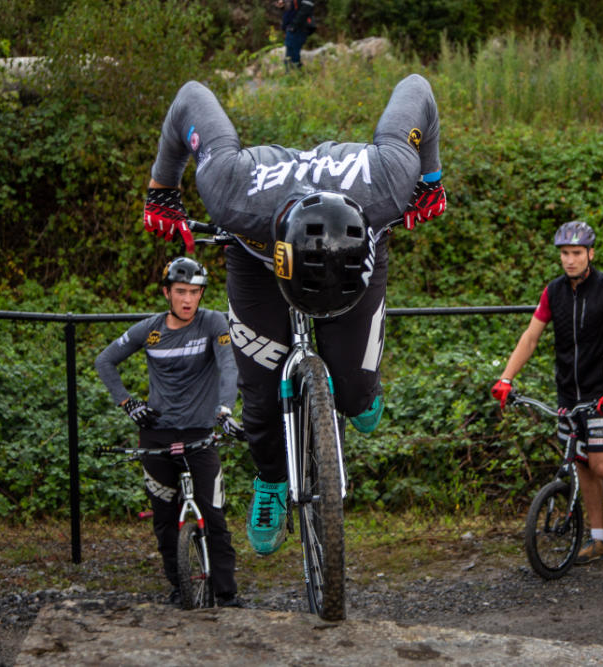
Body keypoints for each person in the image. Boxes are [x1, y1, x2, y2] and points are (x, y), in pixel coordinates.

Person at [140, 74, 446, 556]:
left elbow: (416, 89)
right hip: (258, 259)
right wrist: (162, 188)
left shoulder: (389, 180)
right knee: (260, 393)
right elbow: (191, 98)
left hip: (359, 255)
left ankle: (360, 390)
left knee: (355, 393)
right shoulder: (230, 190)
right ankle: (269, 482)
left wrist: (430, 178)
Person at [490, 221, 603, 564]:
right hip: (568, 395)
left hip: (601, 393)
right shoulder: (554, 292)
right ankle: (599, 538)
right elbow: (531, 337)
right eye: (564, 253)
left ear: (591, 253)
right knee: (582, 465)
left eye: (576, 253)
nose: (570, 260)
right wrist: (506, 378)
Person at [95, 257, 242, 606]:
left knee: (214, 515)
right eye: (180, 292)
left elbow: (228, 365)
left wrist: (224, 410)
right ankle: (179, 587)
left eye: (194, 292)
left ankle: (226, 593)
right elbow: (104, 361)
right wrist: (128, 404)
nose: (188, 299)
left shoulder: (212, 322)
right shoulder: (150, 329)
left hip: (200, 434)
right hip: (156, 436)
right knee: (163, 521)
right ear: (166, 292)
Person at [275, 0, 315, 69]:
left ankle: (295, 76)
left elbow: (306, 9)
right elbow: (291, 8)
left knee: (293, 56)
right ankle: (293, 76)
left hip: (299, 28)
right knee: (290, 56)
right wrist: (282, 5)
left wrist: (294, 25)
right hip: (291, 28)